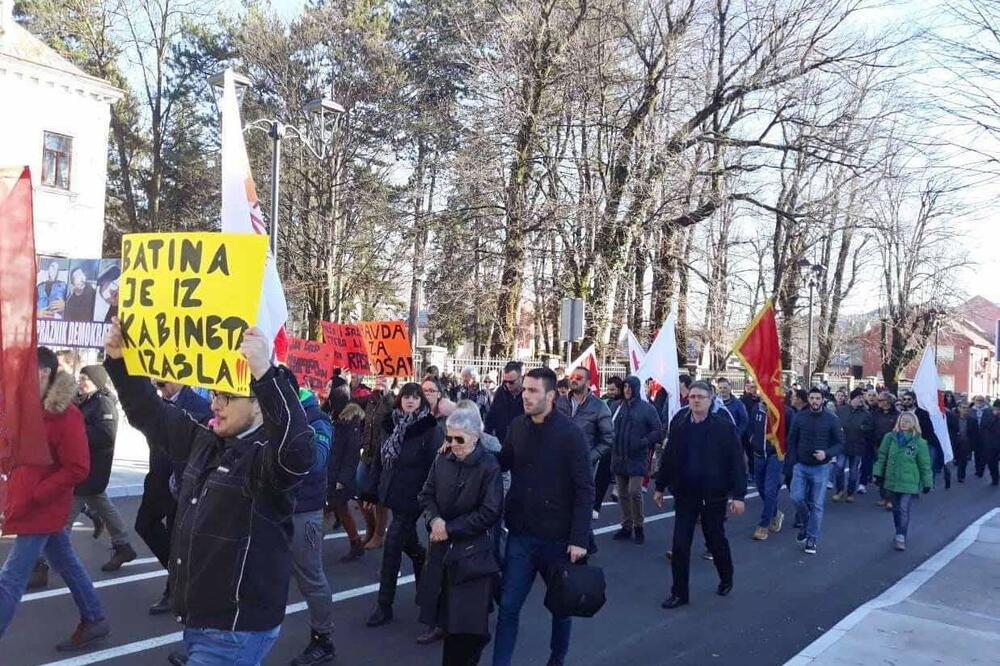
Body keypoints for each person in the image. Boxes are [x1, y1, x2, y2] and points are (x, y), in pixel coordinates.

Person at [104, 321, 315, 664]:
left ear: (260, 404)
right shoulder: (207, 438)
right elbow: (151, 414)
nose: (215, 404)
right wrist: (120, 361)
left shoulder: (267, 462)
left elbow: (298, 450)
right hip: (198, 621)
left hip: (234, 630)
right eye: (215, 393)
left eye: (228, 396)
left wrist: (264, 372)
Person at [0, 347, 109, 649]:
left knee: (9, 580)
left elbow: (78, 467)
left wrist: (38, 494)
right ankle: (95, 617)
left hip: (42, 508)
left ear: (44, 373)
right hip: (28, 504)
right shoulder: (26, 408)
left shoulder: (65, 414)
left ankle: (96, 618)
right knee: (66, 562)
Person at [492, 367, 594, 666]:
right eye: (525, 389)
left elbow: (585, 489)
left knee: (561, 608)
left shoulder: (570, 434)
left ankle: (557, 659)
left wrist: (578, 539)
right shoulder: (517, 427)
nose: (526, 396)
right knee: (508, 607)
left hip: (559, 541)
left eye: (533, 391)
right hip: (521, 536)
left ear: (550, 395)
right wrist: (471, 449)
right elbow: (503, 462)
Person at [416, 401, 503, 666]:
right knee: (447, 622)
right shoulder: (442, 458)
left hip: (472, 557)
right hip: (442, 551)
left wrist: (449, 528)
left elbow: (489, 512)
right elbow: (426, 494)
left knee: (467, 630)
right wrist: (436, 520)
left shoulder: (489, 467)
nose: (452, 443)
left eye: (459, 439)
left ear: (475, 438)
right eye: (449, 437)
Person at [654, 381, 746, 608]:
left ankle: (726, 576)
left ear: (710, 399)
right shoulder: (680, 426)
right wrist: (660, 486)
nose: (695, 400)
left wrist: (739, 496)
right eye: (692, 396)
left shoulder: (723, 428)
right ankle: (679, 593)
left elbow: (736, 463)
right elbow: (669, 459)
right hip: (686, 495)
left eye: (701, 397)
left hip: (713, 497)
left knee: (715, 540)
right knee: (680, 545)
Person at [362, 383, 441, 635]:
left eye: (416, 397)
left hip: (414, 497)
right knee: (410, 544)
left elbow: (435, 468)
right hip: (391, 493)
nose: (410, 400)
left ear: (422, 402)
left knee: (393, 543)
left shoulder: (430, 428)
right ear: (399, 400)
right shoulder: (391, 424)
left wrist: (430, 499)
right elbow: (379, 461)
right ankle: (421, 567)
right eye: (406, 396)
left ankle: (384, 605)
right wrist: (370, 492)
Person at [137, 380, 211, 615]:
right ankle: (181, 575)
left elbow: (203, 448)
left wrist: (186, 479)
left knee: (175, 536)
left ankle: (175, 588)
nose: (158, 378)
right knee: (144, 525)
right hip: (157, 478)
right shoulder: (157, 404)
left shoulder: (199, 406)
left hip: (182, 483)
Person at [68, 365, 137, 572]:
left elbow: (106, 435)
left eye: (85, 379)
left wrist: (76, 432)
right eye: (79, 378)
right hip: (84, 469)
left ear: (97, 381)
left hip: (91, 470)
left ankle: (42, 562)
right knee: (103, 506)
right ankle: (123, 545)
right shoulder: (86, 402)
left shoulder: (103, 404)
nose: (81, 382)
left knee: (62, 518)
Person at [289, 387, 336, 666]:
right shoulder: (278, 415)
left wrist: (292, 425)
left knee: (310, 576)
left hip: (304, 511)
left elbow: (317, 462)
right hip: (276, 508)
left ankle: (323, 640)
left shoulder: (318, 421)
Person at [555, 366, 614, 543]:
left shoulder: (599, 407)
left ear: (588, 383)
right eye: (572, 377)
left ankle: (583, 541)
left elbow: (608, 438)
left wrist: (591, 456)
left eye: (579, 378)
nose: (574, 380)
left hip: (585, 461)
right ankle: (572, 538)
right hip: (560, 460)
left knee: (581, 500)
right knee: (561, 499)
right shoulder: (561, 402)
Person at [784, 387, 844, 555]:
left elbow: (840, 443)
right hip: (801, 466)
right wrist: (793, 462)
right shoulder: (800, 417)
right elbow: (791, 440)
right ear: (808, 400)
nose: (815, 401)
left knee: (817, 505)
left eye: (818, 398)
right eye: (812, 398)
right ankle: (806, 524)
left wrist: (827, 453)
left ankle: (812, 537)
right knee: (796, 497)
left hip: (821, 468)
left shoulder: (831, 419)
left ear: (822, 400)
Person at [609, 375, 661, 545]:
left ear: (637, 389)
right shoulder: (617, 406)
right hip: (619, 455)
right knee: (622, 494)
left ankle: (639, 526)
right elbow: (608, 426)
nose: (627, 390)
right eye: (625, 387)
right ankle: (626, 525)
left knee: (634, 492)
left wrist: (643, 442)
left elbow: (657, 430)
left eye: (630, 388)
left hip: (637, 456)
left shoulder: (647, 409)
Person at [873, 412, 932, 551]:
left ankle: (901, 536)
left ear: (913, 423)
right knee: (896, 509)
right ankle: (899, 530)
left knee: (904, 509)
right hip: (892, 480)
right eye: (902, 420)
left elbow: (924, 464)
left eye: (907, 421)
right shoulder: (890, 438)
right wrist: (877, 474)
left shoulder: (919, 442)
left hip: (909, 482)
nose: (904, 423)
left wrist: (927, 482)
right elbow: (882, 457)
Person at [749, 399, 794, 541]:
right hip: (759, 455)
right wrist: (753, 440)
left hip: (776, 456)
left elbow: (791, 434)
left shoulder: (786, 412)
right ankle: (775, 513)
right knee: (761, 488)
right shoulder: (756, 408)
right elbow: (751, 427)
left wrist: (783, 448)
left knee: (769, 489)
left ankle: (764, 523)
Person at [359, 377, 395, 551]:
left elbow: (392, 415)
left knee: (380, 497)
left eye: (384, 378)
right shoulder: (370, 399)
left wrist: (387, 393)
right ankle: (370, 528)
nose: (379, 380)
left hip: (381, 456)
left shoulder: (391, 400)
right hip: (366, 454)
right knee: (360, 491)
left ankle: (379, 535)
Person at [329, 403, 366, 562]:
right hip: (339, 476)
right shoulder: (351, 428)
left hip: (337, 476)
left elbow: (349, 456)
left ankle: (356, 543)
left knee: (338, 510)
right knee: (340, 510)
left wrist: (341, 479)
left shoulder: (345, 428)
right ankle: (356, 543)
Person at [903, 391, 951, 490]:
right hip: (910, 442)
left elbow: (928, 428)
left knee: (929, 463)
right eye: (904, 399)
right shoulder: (902, 413)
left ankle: (929, 482)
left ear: (914, 400)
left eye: (909, 399)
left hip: (926, 441)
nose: (906, 401)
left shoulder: (922, 413)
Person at [832, 388, 874, 503]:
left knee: (853, 471)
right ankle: (839, 490)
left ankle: (850, 492)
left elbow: (870, 428)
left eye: (862, 398)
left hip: (857, 445)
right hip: (842, 445)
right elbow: (834, 425)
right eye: (858, 397)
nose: (861, 400)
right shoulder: (841, 410)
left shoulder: (866, 413)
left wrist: (863, 428)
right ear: (852, 398)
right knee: (839, 467)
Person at [483, 361, 525, 444]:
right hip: (502, 440)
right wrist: (486, 434)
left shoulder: (527, 394)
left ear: (520, 378)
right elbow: (492, 414)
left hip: (522, 441)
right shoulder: (501, 391)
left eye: (511, 382)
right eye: (505, 381)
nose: (508, 385)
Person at [872, 392, 900, 509]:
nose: (878, 402)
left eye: (881, 400)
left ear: (887, 402)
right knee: (880, 473)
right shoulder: (876, 414)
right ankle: (883, 497)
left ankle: (891, 499)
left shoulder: (897, 415)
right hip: (878, 446)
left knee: (890, 474)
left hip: (892, 448)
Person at [952, 402, 973, 483]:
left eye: (967, 408)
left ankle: (961, 475)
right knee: (957, 459)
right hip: (956, 442)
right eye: (963, 408)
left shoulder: (972, 421)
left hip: (966, 443)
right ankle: (956, 461)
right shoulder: (953, 419)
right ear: (959, 408)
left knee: (963, 460)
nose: (965, 410)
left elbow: (974, 434)